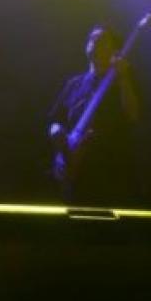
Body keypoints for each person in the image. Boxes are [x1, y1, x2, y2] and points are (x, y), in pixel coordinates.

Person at [49, 25, 142, 206]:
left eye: (102, 40)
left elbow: (133, 115)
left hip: (112, 172)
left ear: (114, 51)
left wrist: (124, 78)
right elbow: (55, 119)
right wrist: (58, 135)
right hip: (75, 172)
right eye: (92, 39)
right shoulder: (74, 84)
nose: (95, 43)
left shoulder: (123, 81)